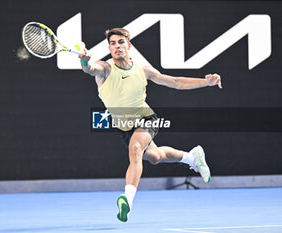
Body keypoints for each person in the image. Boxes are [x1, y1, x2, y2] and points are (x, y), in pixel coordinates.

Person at [79, 28, 222, 222]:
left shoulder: (143, 70)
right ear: (109, 48)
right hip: (123, 126)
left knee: (136, 148)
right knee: (155, 157)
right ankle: (192, 157)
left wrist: (206, 82)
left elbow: (176, 82)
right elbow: (90, 69)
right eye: (113, 43)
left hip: (146, 118)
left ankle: (127, 200)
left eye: (121, 42)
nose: (117, 46)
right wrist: (85, 60)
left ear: (128, 45)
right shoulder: (105, 68)